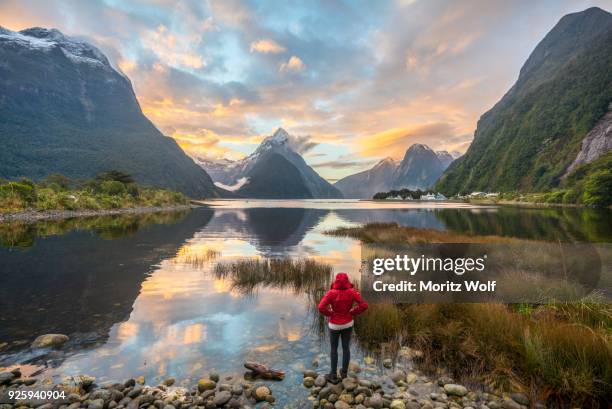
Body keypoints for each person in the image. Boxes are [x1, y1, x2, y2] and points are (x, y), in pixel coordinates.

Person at [318, 272, 368, 383]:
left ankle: (333, 375)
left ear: (336, 281)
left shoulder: (331, 293)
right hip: (348, 323)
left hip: (334, 325)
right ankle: (344, 373)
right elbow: (364, 305)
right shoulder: (352, 292)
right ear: (347, 281)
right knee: (346, 348)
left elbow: (320, 307)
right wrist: (353, 312)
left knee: (334, 349)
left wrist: (331, 314)